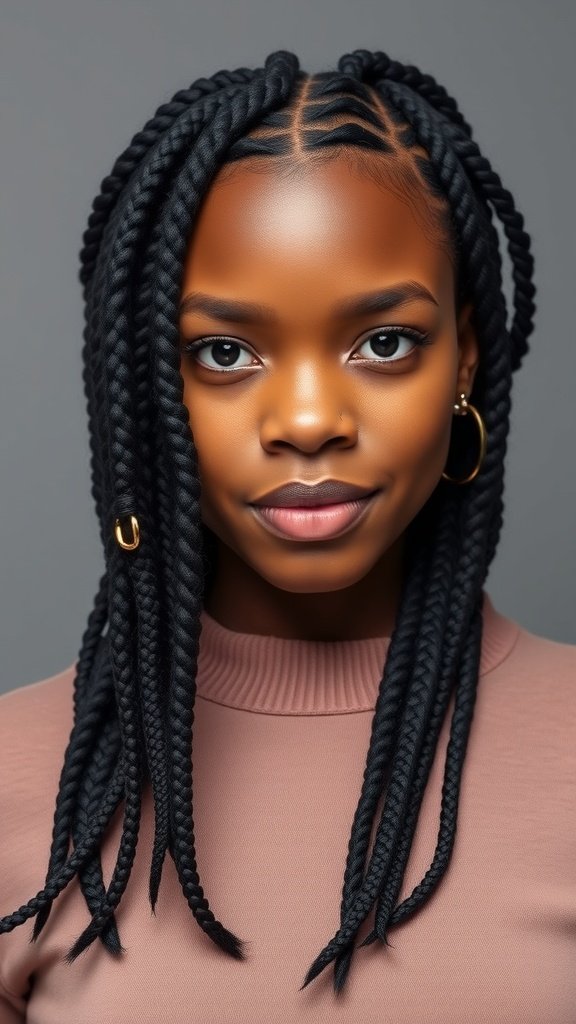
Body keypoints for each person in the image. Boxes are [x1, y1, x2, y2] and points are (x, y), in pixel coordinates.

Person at [0, 47, 574, 1022]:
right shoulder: (14, 780)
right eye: (225, 352)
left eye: (383, 342)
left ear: (466, 357)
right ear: (147, 385)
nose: (308, 419)